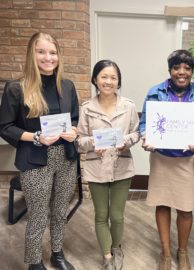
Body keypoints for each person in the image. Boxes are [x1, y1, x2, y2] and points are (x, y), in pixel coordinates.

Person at [0, 32, 79, 270]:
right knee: (38, 213)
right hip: (35, 159)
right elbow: (5, 127)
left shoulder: (67, 85)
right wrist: (35, 137)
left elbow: (75, 118)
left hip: (66, 157)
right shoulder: (16, 88)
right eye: (41, 51)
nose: (48, 57)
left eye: (53, 52)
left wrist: (74, 131)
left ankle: (57, 253)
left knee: (59, 210)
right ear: (31, 55)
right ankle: (35, 261)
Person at [140, 49, 194, 270]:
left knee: (185, 208)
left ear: (192, 71)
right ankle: (166, 254)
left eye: (187, 68)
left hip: (186, 160)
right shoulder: (155, 92)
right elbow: (145, 123)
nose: (182, 72)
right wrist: (145, 136)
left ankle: (182, 252)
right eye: (176, 68)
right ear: (170, 70)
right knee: (162, 204)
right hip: (162, 158)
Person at [76, 60, 140, 270]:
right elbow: (79, 141)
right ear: (95, 79)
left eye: (113, 77)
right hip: (97, 168)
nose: (109, 81)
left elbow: (136, 133)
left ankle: (117, 247)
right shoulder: (86, 108)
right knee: (101, 215)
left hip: (122, 166)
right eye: (104, 77)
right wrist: (93, 143)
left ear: (118, 81)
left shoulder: (128, 106)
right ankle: (107, 256)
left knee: (117, 215)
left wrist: (126, 142)